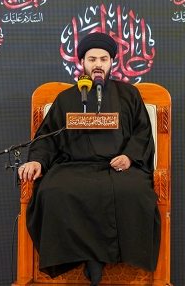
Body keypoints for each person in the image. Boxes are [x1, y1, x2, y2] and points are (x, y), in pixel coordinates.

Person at [18, 32, 160, 286]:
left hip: (118, 167)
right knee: (52, 190)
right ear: (82, 62)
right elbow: (48, 138)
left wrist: (129, 157)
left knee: (134, 191)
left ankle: (105, 262)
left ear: (112, 62)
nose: (98, 64)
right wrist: (37, 161)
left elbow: (142, 133)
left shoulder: (129, 94)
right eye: (92, 59)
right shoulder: (66, 99)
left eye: (103, 59)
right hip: (73, 166)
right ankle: (85, 259)